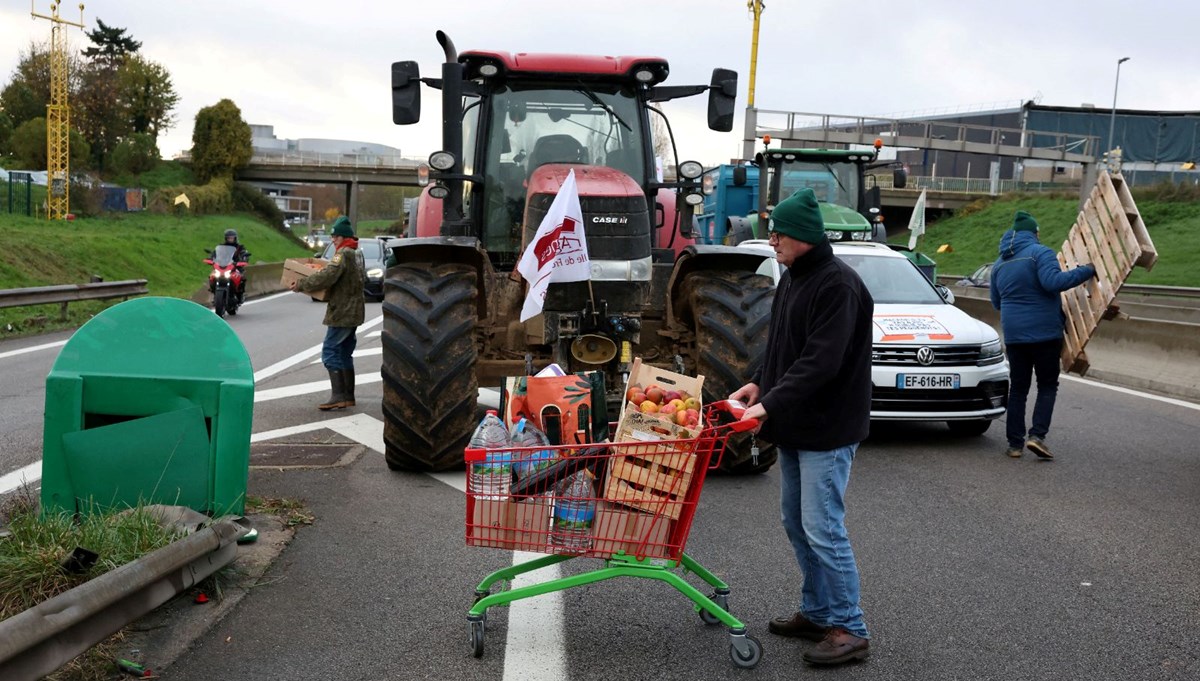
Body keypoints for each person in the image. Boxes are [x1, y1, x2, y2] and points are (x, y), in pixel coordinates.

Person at [729, 188, 874, 666]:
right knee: (797, 522)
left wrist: (767, 406)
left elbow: (820, 363)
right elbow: (785, 347)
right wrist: (757, 385)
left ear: (805, 237)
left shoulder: (838, 285)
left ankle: (850, 627)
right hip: (796, 423)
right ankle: (817, 611)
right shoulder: (793, 276)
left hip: (828, 428)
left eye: (780, 233)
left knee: (823, 526)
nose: (771, 239)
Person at [990, 210, 1095, 460]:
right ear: (1033, 233)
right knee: (1047, 385)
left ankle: (1014, 444)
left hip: (1015, 336)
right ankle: (1037, 437)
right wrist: (1086, 270)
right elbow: (1053, 282)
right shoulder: (1040, 253)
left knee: (1018, 389)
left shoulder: (998, 264)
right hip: (1045, 334)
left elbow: (996, 302)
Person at [289, 216, 366, 411]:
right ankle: (348, 396)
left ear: (345, 237)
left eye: (337, 236)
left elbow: (328, 275)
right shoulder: (357, 254)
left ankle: (338, 396)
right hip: (354, 310)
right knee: (345, 352)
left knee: (330, 352)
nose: (333, 240)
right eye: (332, 236)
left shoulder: (343, 254)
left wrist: (302, 284)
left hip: (343, 311)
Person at [222, 229, 251, 303]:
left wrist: (244, 259)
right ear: (226, 238)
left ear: (235, 238)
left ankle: (240, 295)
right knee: (213, 275)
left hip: (236, 266)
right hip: (224, 266)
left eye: (232, 238)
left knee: (241, 278)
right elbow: (216, 253)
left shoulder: (240, 247)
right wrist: (212, 258)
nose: (230, 239)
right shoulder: (222, 246)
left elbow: (244, 253)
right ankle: (214, 290)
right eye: (228, 238)